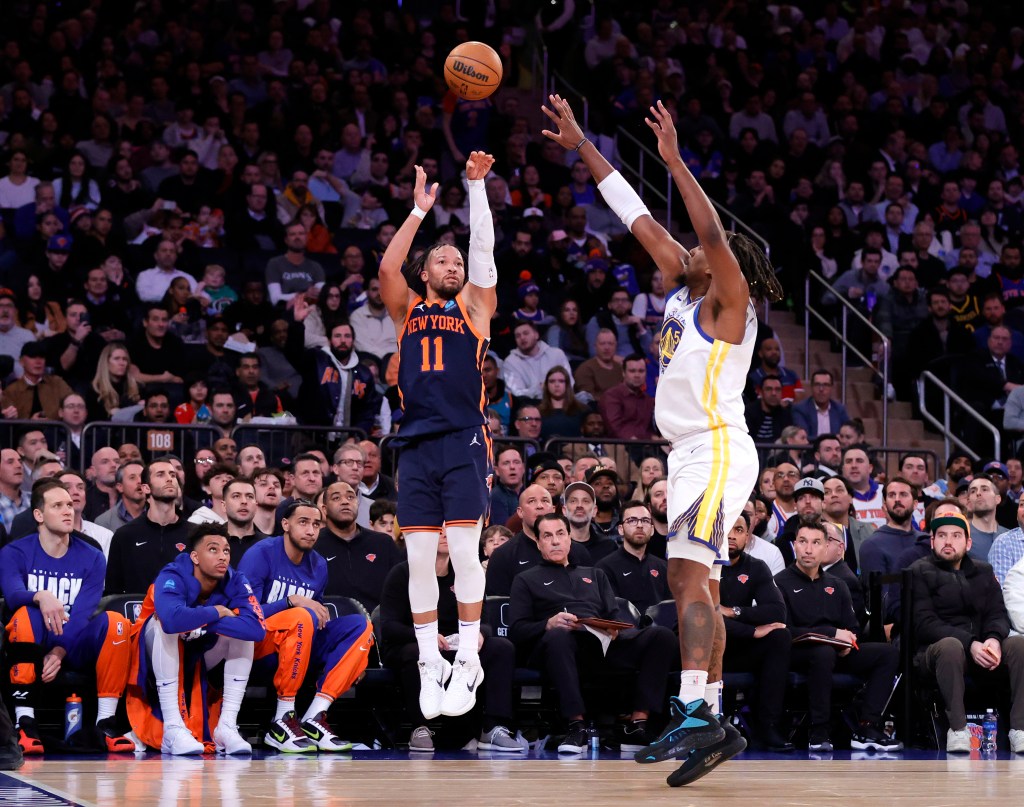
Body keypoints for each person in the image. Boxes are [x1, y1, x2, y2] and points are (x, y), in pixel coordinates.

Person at [541, 94, 782, 781]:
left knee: (686, 580)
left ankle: (693, 711)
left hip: (718, 447)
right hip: (686, 455)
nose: (702, 249)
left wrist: (675, 160)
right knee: (694, 578)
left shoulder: (731, 302)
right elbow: (634, 215)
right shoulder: (682, 287)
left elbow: (707, 230)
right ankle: (707, 711)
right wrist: (584, 145)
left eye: (716, 247)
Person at [378, 152, 498, 721]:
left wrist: (476, 189)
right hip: (417, 445)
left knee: (467, 551)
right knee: (421, 559)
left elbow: (484, 254)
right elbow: (386, 269)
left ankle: (468, 655)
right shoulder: (406, 310)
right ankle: (432, 659)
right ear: (425, 273)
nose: (453, 265)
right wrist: (417, 212)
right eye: (442, 261)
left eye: (456, 261)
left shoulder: (474, 306)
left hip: (465, 440)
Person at [509, 513, 677, 755]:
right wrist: (548, 623)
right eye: (547, 536)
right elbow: (517, 629)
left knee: (661, 636)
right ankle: (575, 725)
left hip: (601, 642)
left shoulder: (595, 574)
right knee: (559, 636)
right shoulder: (525, 579)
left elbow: (614, 615)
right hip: (560, 647)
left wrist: (613, 627)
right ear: (538, 543)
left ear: (569, 539)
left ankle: (638, 723)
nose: (555, 541)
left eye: (560, 534)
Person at [0, 479, 134, 754]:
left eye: (70, 505)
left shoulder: (93, 556)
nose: (67, 511)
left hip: (74, 643)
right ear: (38, 514)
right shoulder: (14, 552)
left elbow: (83, 614)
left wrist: (59, 652)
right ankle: (25, 722)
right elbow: (13, 596)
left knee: (117, 623)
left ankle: (106, 723)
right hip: (32, 639)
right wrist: (41, 596)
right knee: (25, 615)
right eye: (57, 505)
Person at [239, 499, 373, 752]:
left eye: (316, 524)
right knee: (300, 615)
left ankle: (314, 717)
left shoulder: (319, 564)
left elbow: (318, 618)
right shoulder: (261, 553)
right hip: (257, 647)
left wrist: (353, 658)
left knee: (360, 627)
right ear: (285, 524)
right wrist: (290, 601)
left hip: (297, 646)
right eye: (303, 522)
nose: (311, 530)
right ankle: (283, 717)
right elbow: (245, 614)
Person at [125, 522, 265, 755]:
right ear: (195, 556)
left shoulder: (236, 579)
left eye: (226, 551)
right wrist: (216, 611)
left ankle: (227, 725)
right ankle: (172, 728)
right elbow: (171, 620)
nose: (222, 557)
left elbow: (257, 628)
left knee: (243, 637)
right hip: (148, 655)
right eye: (213, 549)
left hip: (197, 651)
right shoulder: (172, 574)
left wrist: (200, 621)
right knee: (162, 625)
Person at [380, 527, 522, 752]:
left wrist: (479, 634)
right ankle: (420, 728)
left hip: (458, 644)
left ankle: (493, 728)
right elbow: (388, 627)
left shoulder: (466, 574)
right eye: (438, 531)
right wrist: (425, 636)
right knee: (415, 653)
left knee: (500, 648)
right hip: (414, 643)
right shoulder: (402, 573)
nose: (445, 535)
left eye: (449, 530)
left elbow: (484, 620)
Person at [776, 517, 901, 752]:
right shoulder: (779, 582)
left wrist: (849, 640)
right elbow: (784, 630)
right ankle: (819, 729)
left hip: (837, 652)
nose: (809, 548)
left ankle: (867, 725)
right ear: (795, 545)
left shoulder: (838, 584)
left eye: (816, 542)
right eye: (803, 541)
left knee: (887, 654)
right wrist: (831, 633)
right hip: (799, 653)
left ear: (825, 547)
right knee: (822, 652)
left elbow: (851, 626)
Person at [911, 512, 1024, 754]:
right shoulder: (918, 571)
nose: (948, 541)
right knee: (951, 646)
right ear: (932, 542)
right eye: (941, 536)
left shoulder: (983, 571)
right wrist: (971, 643)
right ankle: (958, 730)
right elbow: (924, 623)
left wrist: (993, 639)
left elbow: (997, 614)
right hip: (937, 652)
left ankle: (1019, 729)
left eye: (956, 536)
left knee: (1019, 646)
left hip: (982, 649)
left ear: (968, 543)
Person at [718, 513, 792, 751]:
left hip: (738, 649)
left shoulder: (756, 567)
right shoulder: (702, 565)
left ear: (747, 537)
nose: (731, 535)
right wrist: (751, 632)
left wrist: (735, 612)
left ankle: (768, 725)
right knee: (702, 627)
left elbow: (778, 612)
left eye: (739, 530)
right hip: (706, 649)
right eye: (727, 529)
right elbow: (704, 617)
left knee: (780, 635)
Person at [315, 481, 402, 614]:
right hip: (332, 626)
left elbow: (401, 590)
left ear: (358, 504)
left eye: (350, 497)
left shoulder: (383, 543)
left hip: (379, 627)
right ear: (324, 509)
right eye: (336, 498)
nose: (345, 502)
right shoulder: (313, 546)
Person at [105, 457, 190, 594]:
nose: (169, 479)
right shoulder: (125, 535)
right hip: (136, 613)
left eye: (172, 475)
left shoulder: (194, 534)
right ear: (146, 488)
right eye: (160, 474)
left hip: (182, 611)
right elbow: (113, 592)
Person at [596, 500, 670, 615]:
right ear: (620, 529)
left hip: (662, 629)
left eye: (645, 521)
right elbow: (612, 613)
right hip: (625, 630)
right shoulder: (605, 568)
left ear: (652, 529)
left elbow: (670, 610)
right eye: (632, 521)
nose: (640, 525)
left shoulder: (663, 567)